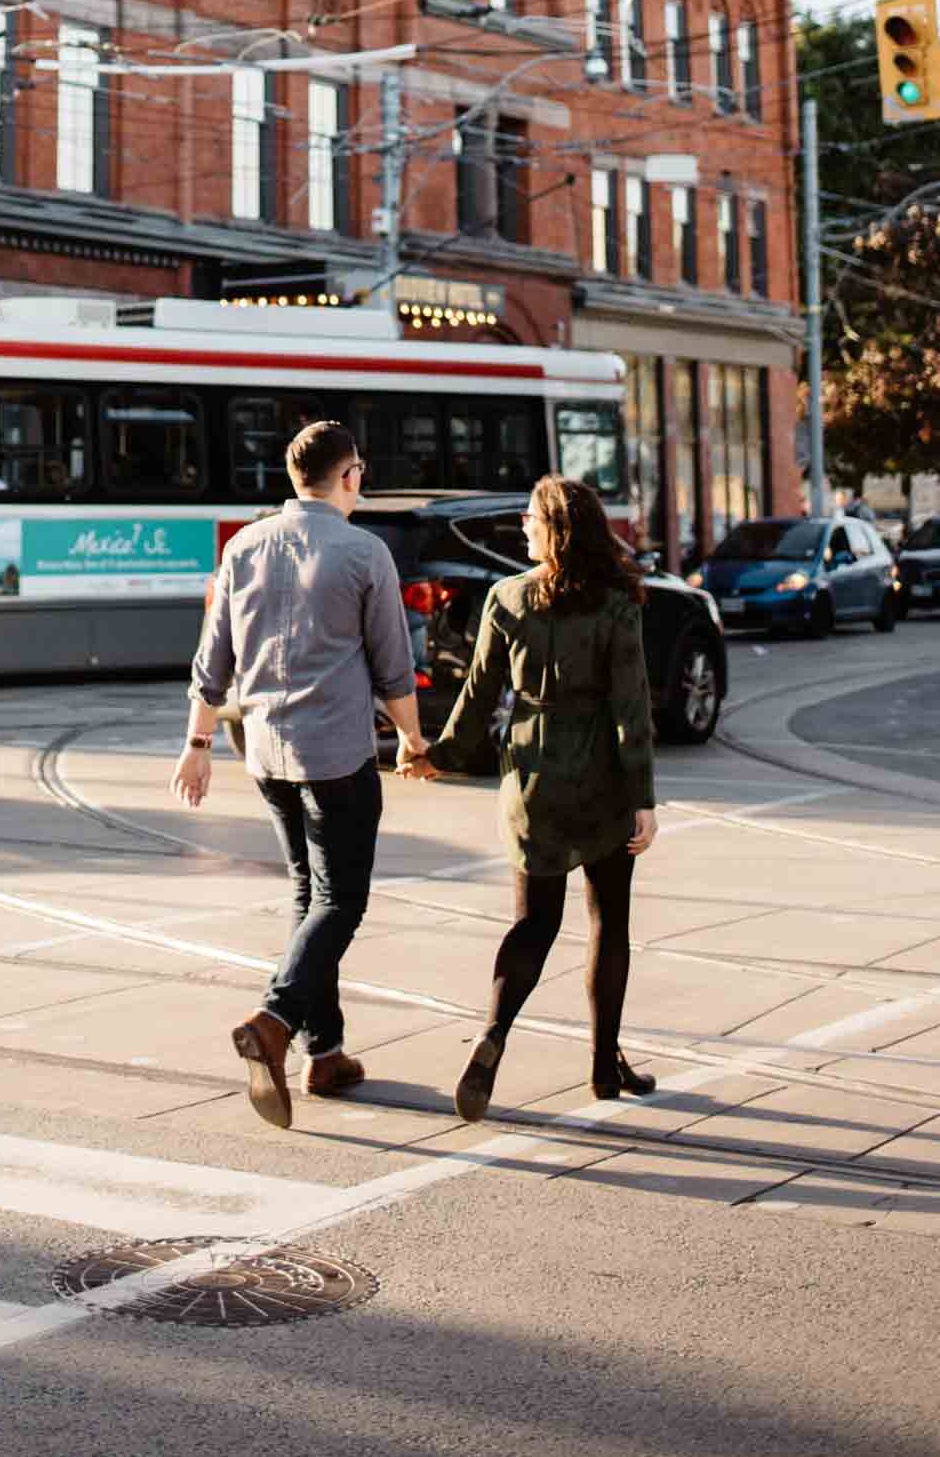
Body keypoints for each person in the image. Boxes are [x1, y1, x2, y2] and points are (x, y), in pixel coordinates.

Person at [174, 418, 425, 1128]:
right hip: (338, 755)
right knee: (342, 900)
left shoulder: (242, 547)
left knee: (308, 895)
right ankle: (277, 1020)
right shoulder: (363, 551)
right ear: (349, 476)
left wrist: (196, 743)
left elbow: (211, 659)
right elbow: (392, 666)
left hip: (265, 753)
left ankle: (326, 1053)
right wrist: (411, 739)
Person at [407, 474, 657, 1121]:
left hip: (532, 777)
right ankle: (604, 1066)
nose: (521, 528)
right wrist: (644, 797)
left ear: (552, 530)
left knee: (535, 922)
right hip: (601, 769)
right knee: (610, 920)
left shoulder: (506, 598)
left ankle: (492, 1038)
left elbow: (479, 695)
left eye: (528, 519)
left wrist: (439, 755)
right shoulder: (617, 601)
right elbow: (632, 707)